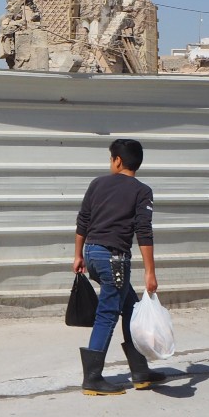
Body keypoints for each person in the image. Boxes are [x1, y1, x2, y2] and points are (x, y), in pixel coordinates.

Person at [72, 138, 167, 395]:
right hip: (114, 258)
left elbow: (83, 219)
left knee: (131, 307)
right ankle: (92, 378)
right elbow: (143, 232)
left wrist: (78, 254)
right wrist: (150, 272)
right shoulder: (141, 190)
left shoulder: (97, 183)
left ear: (117, 160)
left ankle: (140, 372)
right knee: (107, 314)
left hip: (92, 253)